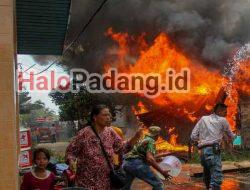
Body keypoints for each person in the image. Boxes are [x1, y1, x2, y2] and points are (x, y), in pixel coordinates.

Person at [65, 105, 142, 190]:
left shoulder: (110, 132)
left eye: (109, 115)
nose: (109, 117)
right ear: (95, 117)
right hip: (87, 182)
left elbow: (122, 148)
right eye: (105, 115)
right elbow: (70, 151)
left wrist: (136, 137)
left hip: (106, 181)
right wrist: (71, 161)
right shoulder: (84, 133)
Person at [190, 103, 236, 190]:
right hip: (213, 150)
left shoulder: (203, 119)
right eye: (225, 112)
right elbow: (231, 136)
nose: (226, 114)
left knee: (207, 176)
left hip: (203, 152)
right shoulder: (222, 120)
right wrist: (238, 141)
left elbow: (193, 136)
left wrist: (201, 141)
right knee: (216, 178)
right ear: (219, 110)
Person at [122, 126, 172, 190]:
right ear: (157, 135)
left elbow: (143, 156)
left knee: (126, 187)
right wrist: (162, 172)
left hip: (126, 163)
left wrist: (157, 159)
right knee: (158, 184)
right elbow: (150, 159)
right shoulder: (151, 141)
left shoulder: (143, 139)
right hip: (136, 164)